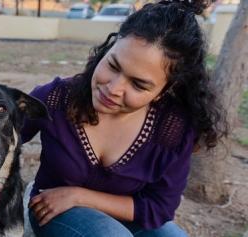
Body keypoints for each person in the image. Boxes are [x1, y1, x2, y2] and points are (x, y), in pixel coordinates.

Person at [21, 0, 228, 236]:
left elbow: (160, 207)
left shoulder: (173, 128)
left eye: (138, 84)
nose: (114, 87)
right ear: (109, 47)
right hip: (54, 213)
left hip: (125, 218)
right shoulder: (56, 98)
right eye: (113, 65)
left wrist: (78, 195)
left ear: (165, 90)